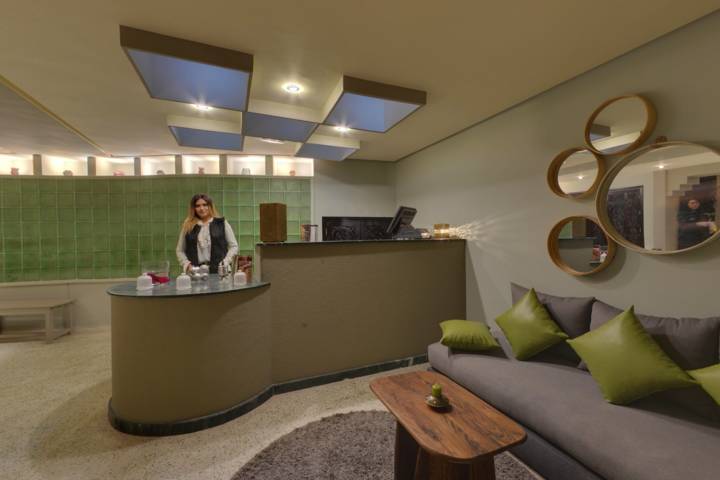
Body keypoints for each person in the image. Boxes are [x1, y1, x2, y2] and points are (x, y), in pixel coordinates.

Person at [176, 193, 238, 274]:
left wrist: (225, 262)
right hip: (196, 273)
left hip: (220, 272)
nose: (201, 208)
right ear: (194, 208)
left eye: (205, 205)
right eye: (197, 206)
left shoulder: (221, 223)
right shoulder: (188, 226)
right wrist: (187, 265)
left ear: (210, 206)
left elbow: (234, 246)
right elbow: (180, 250)